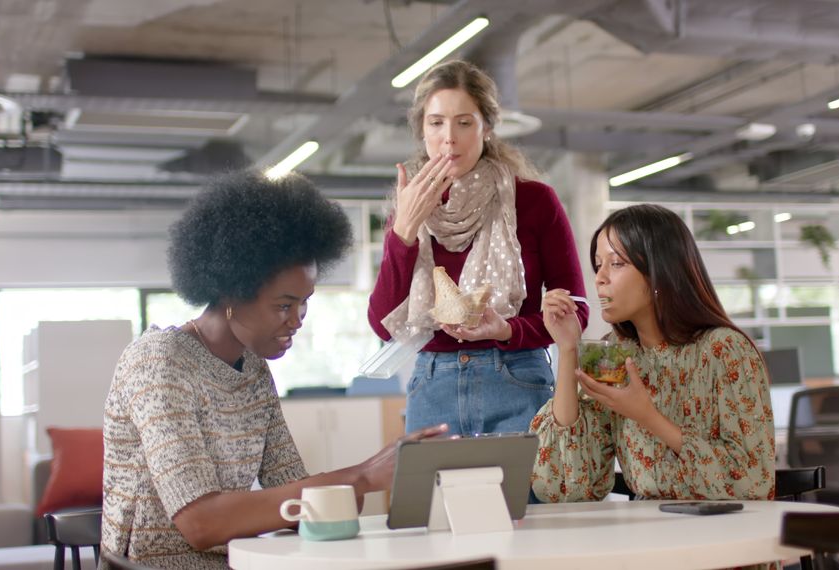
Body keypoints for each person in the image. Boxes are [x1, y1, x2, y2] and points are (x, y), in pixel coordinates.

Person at [100, 171, 448, 569]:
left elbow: (291, 490)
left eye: (304, 302)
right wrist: (362, 477)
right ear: (232, 291)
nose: (297, 319)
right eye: (283, 305)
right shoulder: (160, 361)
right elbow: (201, 523)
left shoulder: (253, 371)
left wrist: (372, 470)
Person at [367, 59, 589, 436]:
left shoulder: (535, 201)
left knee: (524, 497)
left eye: (464, 122)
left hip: (517, 378)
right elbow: (383, 325)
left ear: (487, 128)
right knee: (432, 497)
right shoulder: (408, 207)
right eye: (436, 122)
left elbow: (577, 312)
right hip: (432, 386)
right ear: (422, 130)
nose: (449, 137)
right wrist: (403, 231)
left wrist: (506, 330)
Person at [532, 204, 775, 504]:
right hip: (650, 532)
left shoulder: (725, 351)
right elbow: (568, 485)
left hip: (725, 535)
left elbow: (752, 483)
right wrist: (568, 348)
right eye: (598, 264)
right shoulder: (616, 354)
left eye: (616, 263)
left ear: (659, 272)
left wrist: (646, 415)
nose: (599, 278)